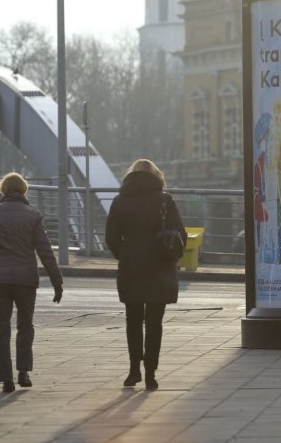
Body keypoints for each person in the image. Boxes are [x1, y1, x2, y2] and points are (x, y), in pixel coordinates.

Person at [0, 172, 63, 393]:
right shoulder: (33, 215)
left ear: (3, 190)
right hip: (25, 279)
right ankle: (23, 371)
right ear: (24, 190)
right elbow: (45, 251)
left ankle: (6, 379)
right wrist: (56, 281)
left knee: (1, 329)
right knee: (25, 325)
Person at [105, 159, 186, 390]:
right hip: (160, 266)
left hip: (131, 266)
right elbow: (180, 233)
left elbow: (111, 237)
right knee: (154, 323)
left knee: (133, 320)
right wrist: (169, 255)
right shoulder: (164, 200)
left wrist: (126, 255)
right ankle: (151, 374)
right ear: (156, 176)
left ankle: (133, 371)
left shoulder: (120, 201)